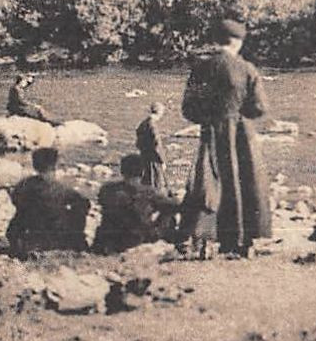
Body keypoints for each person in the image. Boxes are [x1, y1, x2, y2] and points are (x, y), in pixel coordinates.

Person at [179, 17, 273, 258]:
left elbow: (188, 108)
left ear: (216, 41)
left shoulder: (201, 67)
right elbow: (259, 108)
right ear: (238, 42)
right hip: (240, 133)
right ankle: (242, 240)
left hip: (211, 131)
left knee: (207, 182)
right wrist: (239, 113)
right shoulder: (247, 69)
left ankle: (203, 238)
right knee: (244, 183)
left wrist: (208, 118)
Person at [5, 147, 89, 257]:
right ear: (54, 166)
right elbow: (84, 204)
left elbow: (16, 200)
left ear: (35, 165)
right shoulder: (61, 189)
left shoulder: (23, 185)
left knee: (21, 213)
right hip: (54, 235)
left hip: (29, 233)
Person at [92, 154, 176, 255]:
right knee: (168, 212)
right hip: (134, 239)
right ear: (143, 172)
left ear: (122, 171)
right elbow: (175, 206)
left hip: (108, 238)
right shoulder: (148, 192)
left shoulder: (107, 189)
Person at [136, 102, 167, 192]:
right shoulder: (153, 125)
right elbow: (156, 144)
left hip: (144, 157)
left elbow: (138, 141)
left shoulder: (143, 123)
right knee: (156, 183)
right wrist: (162, 160)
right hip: (154, 160)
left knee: (146, 181)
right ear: (159, 112)